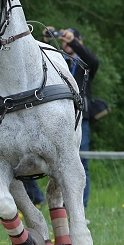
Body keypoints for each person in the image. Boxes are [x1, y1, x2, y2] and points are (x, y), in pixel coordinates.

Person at [45, 26, 99, 208]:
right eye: (64, 40)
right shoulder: (62, 62)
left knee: (81, 162)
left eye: (71, 40)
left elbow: (93, 59)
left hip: (81, 119)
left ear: (79, 42)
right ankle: (58, 203)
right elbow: (45, 61)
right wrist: (48, 40)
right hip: (60, 119)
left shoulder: (86, 63)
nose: (66, 44)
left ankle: (80, 206)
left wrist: (73, 42)